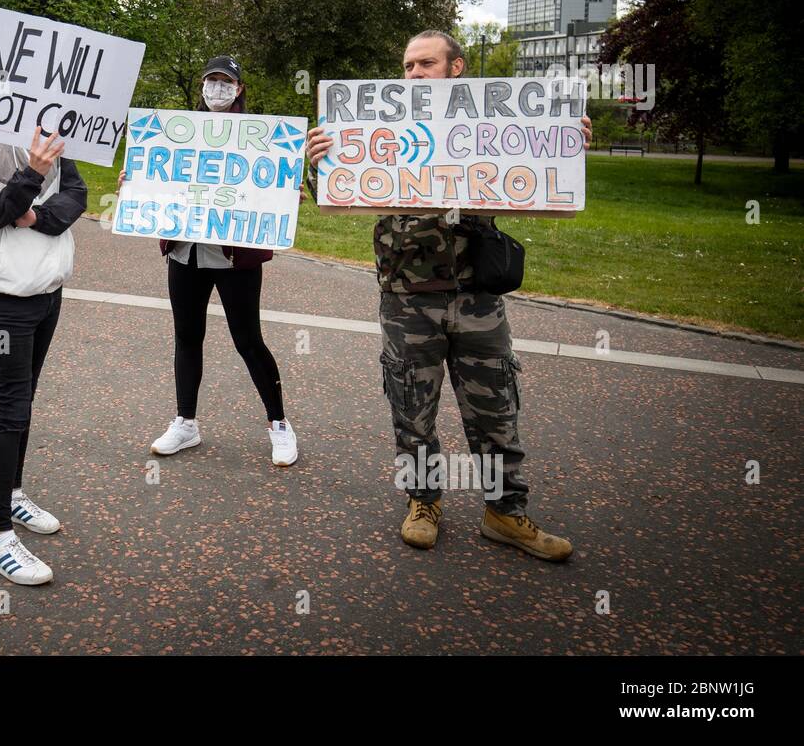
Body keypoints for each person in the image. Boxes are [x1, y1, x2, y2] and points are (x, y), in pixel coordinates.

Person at [307, 31, 592, 561]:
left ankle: (505, 513)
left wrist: (563, 142)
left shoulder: (488, 126)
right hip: (407, 298)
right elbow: (330, 195)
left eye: (426, 63)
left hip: (477, 296)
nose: (413, 74)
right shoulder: (374, 129)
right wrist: (318, 160)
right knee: (412, 410)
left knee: (494, 410)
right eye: (407, 65)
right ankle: (423, 501)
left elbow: (534, 170)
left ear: (456, 69)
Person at [125, 56, 297, 466]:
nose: (217, 88)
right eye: (211, 80)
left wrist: (283, 193)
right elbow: (160, 179)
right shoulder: (177, 133)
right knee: (186, 336)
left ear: (239, 89)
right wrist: (136, 182)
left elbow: (269, 183)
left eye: (226, 82)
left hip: (235, 258)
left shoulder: (261, 137)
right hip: (186, 253)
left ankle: (279, 425)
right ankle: (186, 422)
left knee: (248, 340)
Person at [0, 125, 87, 586]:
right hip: (4, 298)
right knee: (12, 409)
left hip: (49, 290)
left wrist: (35, 218)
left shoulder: (48, 136)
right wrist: (30, 174)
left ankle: (12, 494)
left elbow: (77, 194)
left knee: (26, 400)